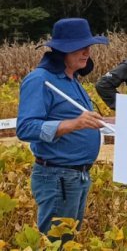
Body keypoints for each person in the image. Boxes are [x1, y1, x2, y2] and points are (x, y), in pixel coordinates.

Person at [17, 18, 109, 235]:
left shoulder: (71, 79)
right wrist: (73, 124)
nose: (86, 52)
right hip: (57, 177)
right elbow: (26, 128)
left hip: (77, 176)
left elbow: (85, 121)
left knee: (68, 241)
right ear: (62, 51)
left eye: (88, 47)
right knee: (56, 242)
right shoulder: (40, 80)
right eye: (80, 48)